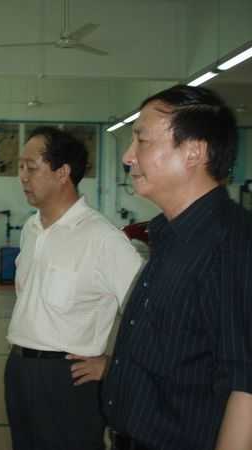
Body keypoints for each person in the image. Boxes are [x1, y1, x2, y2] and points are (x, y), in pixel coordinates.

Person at [102, 84, 252, 450]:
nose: (128, 156)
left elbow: (246, 385)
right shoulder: (169, 235)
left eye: (142, 141)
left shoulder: (234, 243)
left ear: (194, 152)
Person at [5, 126, 142, 450]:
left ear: (62, 172)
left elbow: (150, 312)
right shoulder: (31, 229)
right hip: (19, 369)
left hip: (69, 378)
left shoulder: (103, 238)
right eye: (20, 167)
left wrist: (115, 364)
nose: (22, 176)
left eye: (31, 167)